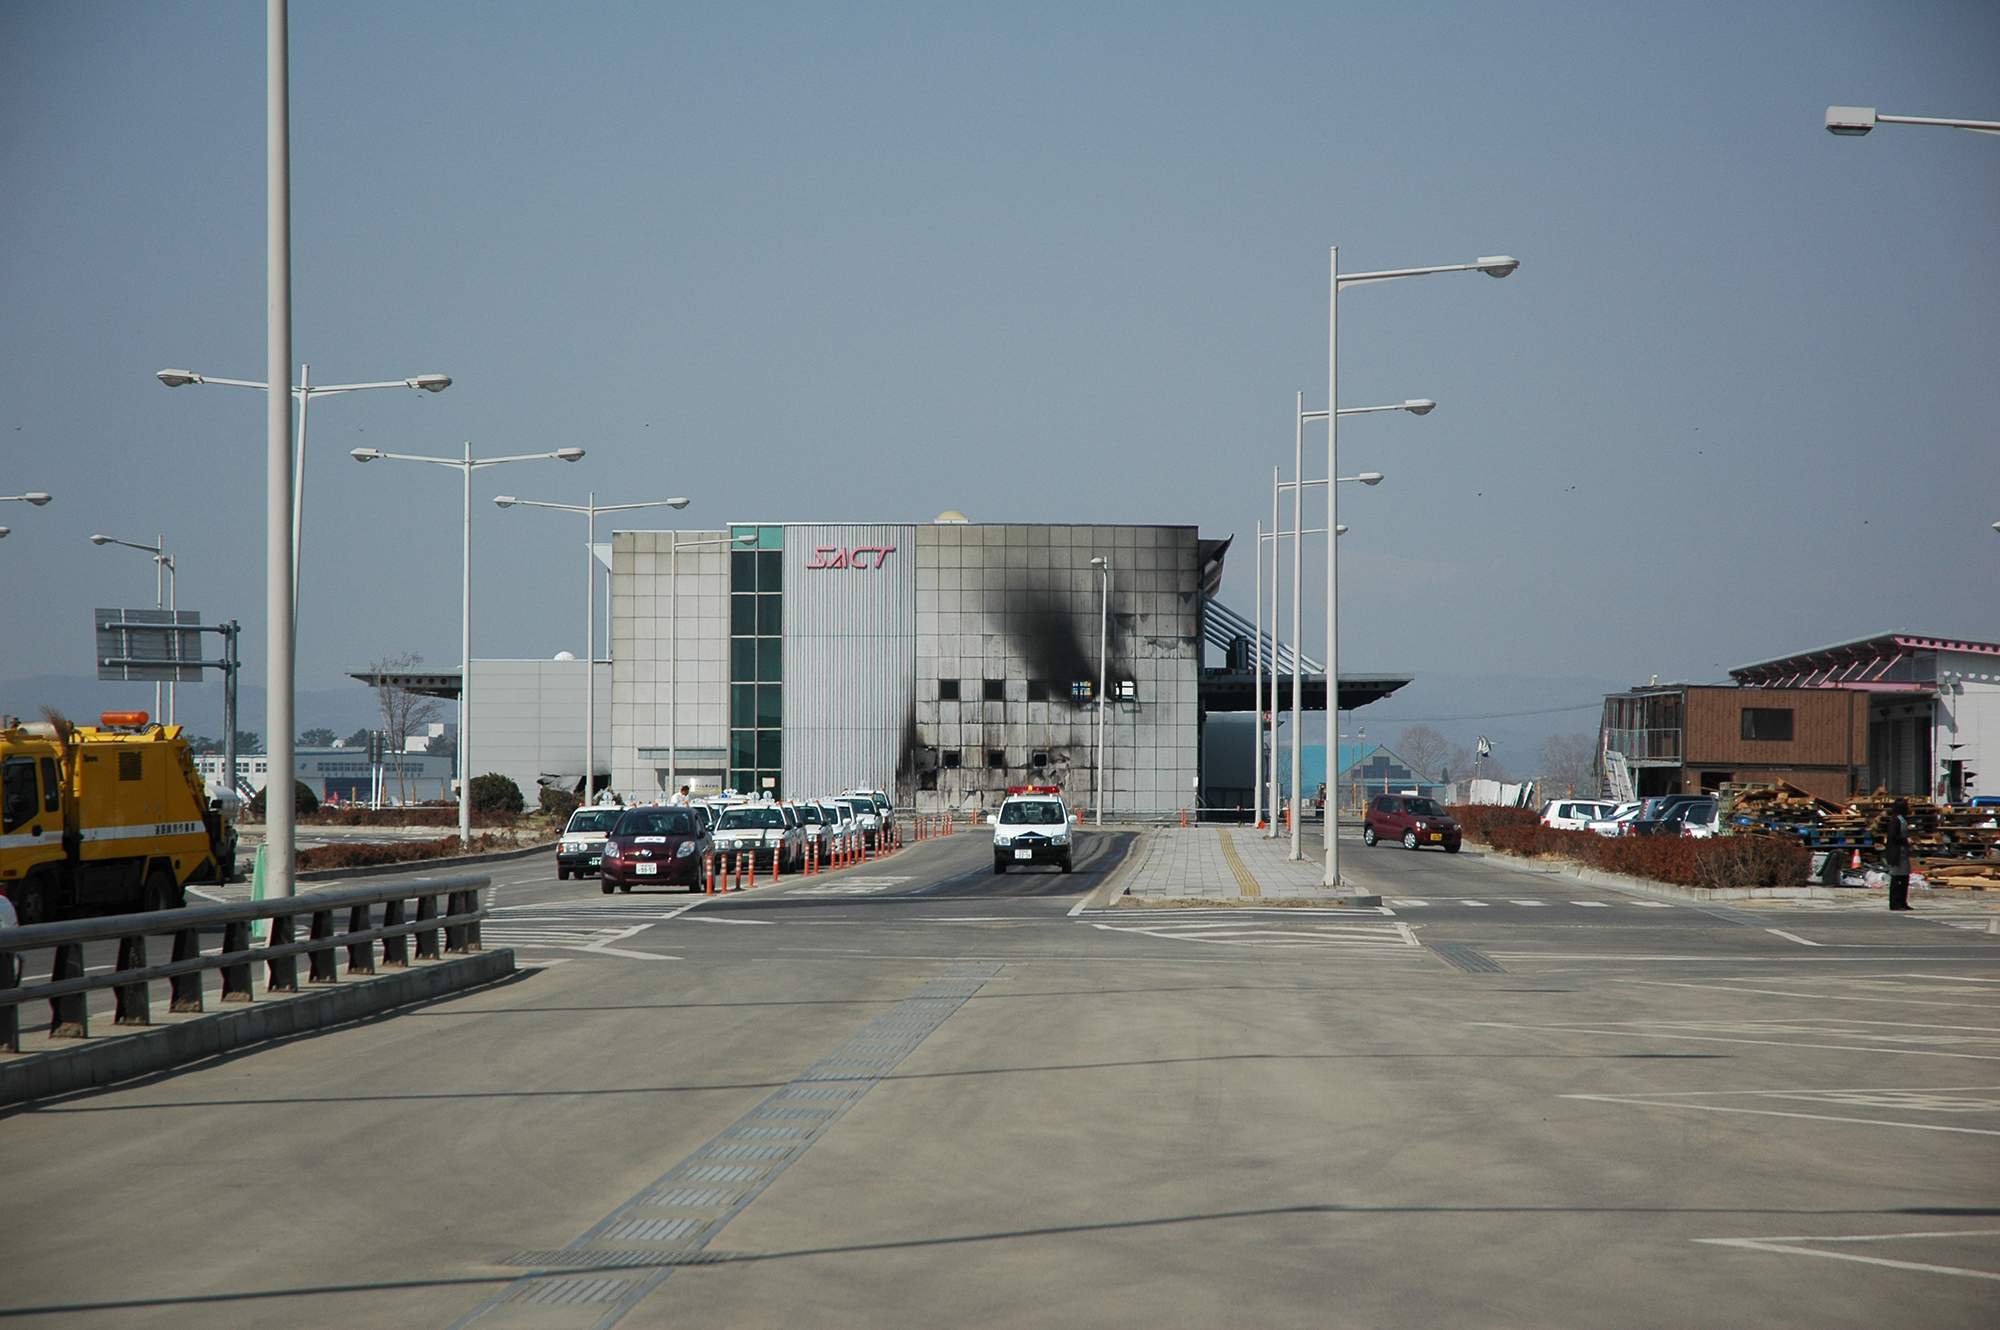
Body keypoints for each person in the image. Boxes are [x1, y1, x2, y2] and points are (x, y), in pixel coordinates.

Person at [1884, 798, 1912, 911]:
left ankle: (1903, 901)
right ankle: (1895, 903)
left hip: (1903, 852)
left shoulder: (1902, 819)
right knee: (1897, 878)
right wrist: (1905, 840)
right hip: (1898, 852)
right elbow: (1893, 836)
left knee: (1905, 878)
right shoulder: (1895, 820)